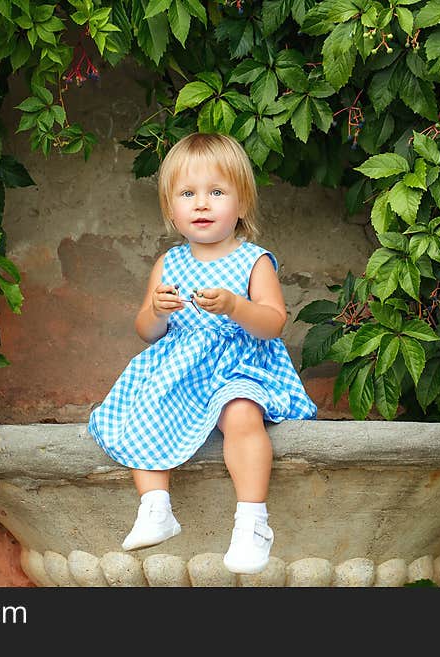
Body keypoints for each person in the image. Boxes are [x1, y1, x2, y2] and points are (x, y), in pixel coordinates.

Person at [87, 132, 317, 574]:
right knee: (141, 408)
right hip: (182, 369)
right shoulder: (168, 263)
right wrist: (157, 309)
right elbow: (146, 331)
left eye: (216, 192)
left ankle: (253, 522)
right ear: (171, 209)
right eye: (187, 194)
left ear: (242, 204)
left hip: (239, 364)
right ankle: (156, 508)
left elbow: (273, 322)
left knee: (241, 414)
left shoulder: (254, 260)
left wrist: (234, 305)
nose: (201, 204)